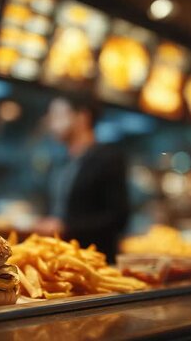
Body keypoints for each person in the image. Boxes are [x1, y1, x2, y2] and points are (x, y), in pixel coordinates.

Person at [36, 96, 129, 261]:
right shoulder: (60, 161)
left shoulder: (108, 158)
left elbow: (118, 217)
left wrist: (65, 226)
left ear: (82, 117)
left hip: (94, 262)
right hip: (58, 259)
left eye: (58, 115)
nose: (51, 123)